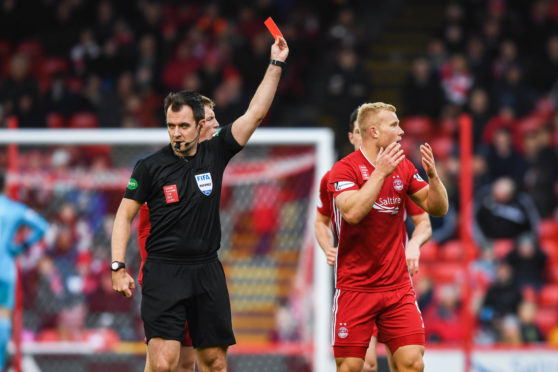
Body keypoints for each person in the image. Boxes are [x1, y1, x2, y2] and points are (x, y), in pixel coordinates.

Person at [111, 36, 288, 372]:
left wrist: (275, 64)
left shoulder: (216, 152)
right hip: (163, 270)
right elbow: (123, 217)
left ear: (200, 125)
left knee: (214, 362)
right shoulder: (149, 167)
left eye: (183, 126)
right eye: (170, 126)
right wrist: (118, 267)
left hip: (207, 269)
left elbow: (256, 113)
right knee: (164, 364)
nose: (176, 133)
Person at [328, 102, 448, 372]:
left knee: (412, 363)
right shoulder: (343, 170)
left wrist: (433, 176)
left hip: (396, 287)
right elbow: (353, 213)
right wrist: (380, 172)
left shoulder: (404, 168)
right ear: (373, 131)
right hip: (355, 288)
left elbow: (438, 208)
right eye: (394, 125)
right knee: (351, 367)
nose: (402, 131)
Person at [138, 95, 220, 372]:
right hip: (165, 277)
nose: (216, 125)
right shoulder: (159, 169)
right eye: (210, 120)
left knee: (185, 361)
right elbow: (140, 226)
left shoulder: (205, 164)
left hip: (196, 277)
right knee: (162, 362)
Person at [0, 170, 49, 370]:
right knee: (3, 319)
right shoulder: (14, 209)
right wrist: (21, 246)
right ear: (5, 186)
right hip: (5, 270)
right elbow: (42, 226)